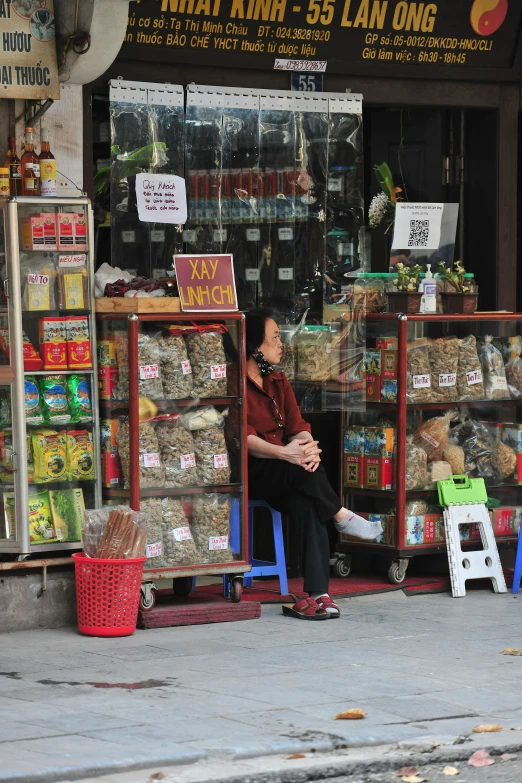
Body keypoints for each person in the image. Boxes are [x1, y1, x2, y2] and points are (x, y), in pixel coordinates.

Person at [245, 308, 382, 621]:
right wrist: (287, 454)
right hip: (256, 470)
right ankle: (342, 515)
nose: (282, 344)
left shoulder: (278, 381)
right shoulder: (236, 383)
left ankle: (319, 594)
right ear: (255, 347)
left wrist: (308, 447)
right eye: (275, 338)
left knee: (308, 504)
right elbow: (244, 438)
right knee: (298, 467)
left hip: (288, 472)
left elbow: (298, 424)